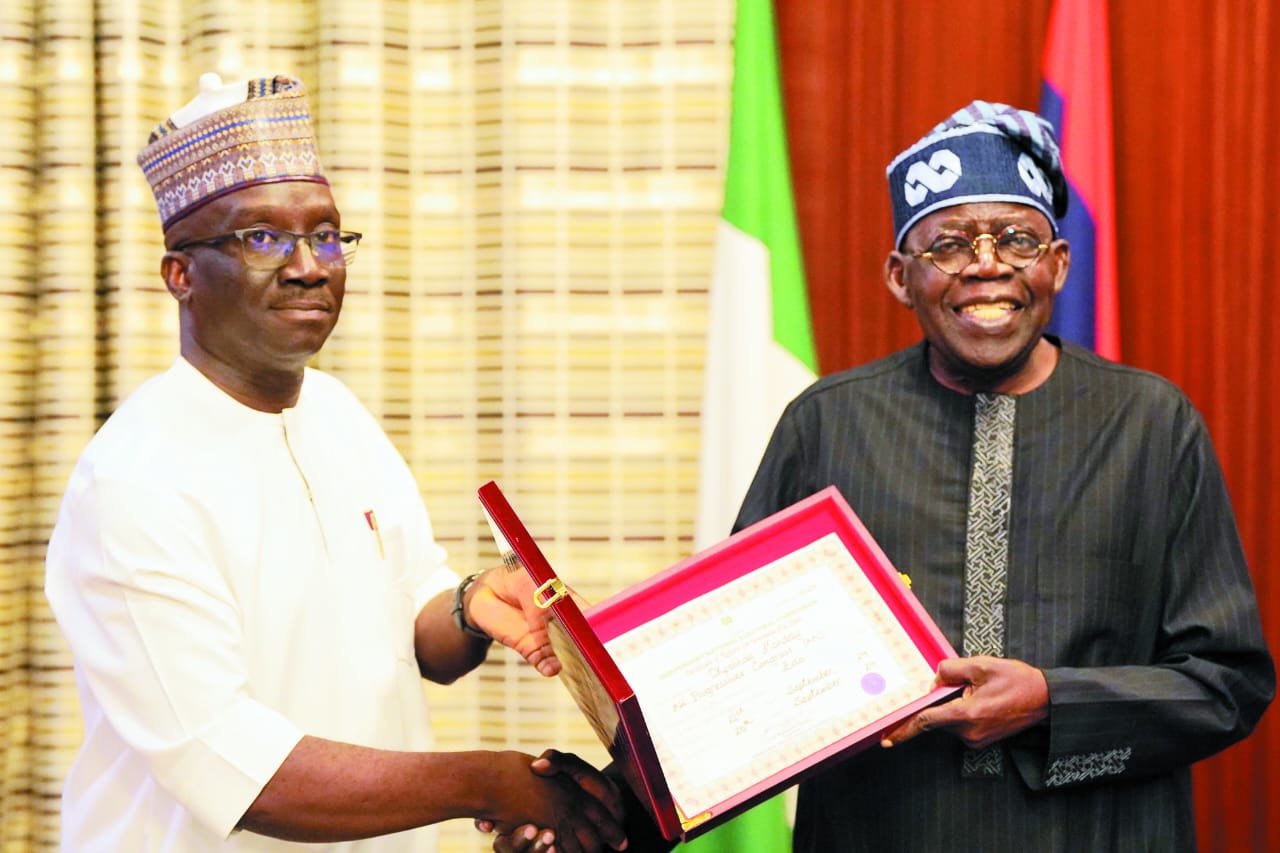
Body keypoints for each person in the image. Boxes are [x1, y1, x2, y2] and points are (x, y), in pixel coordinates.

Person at [492, 100, 1275, 853]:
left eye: (1017, 240)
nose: (987, 266)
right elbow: (735, 678)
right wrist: (596, 819)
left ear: (1060, 265)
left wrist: (1052, 704)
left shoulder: (1152, 424)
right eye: (949, 246)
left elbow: (1227, 684)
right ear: (900, 276)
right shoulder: (827, 424)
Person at [43, 72, 628, 853]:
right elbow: (240, 768)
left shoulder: (339, 416)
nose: (310, 265)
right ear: (180, 275)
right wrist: (492, 780)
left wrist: (472, 603)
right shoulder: (133, 482)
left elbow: (414, 626)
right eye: (262, 238)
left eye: (325, 234)